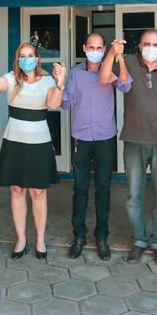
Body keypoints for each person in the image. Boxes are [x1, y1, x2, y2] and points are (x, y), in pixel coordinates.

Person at [101, 30, 157, 265]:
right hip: (133, 141)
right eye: (147, 44)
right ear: (139, 46)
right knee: (134, 195)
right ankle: (139, 240)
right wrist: (112, 52)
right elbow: (103, 78)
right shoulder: (128, 62)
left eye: (156, 44)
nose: (151, 47)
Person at [0, 42, 66, 260]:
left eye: (30, 55)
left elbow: (54, 105)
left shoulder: (48, 81)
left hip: (39, 143)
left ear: (37, 59)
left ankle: (40, 239)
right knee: (17, 190)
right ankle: (21, 238)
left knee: (38, 192)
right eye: (22, 55)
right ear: (17, 59)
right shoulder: (11, 78)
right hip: (14, 141)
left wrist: (60, 83)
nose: (26, 59)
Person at [62, 34, 132, 261]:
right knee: (80, 189)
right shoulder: (75, 73)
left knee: (103, 189)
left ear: (104, 49)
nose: (94, 50)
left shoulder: (109, 69)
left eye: (99, 47)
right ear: (84, 47)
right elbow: (65, 103)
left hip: (105, 138)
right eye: (90, 47)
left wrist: (118, 57)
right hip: (80, 139)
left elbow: (126, 85)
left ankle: (102, 236)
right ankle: (79, 236)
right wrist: (59, 82)